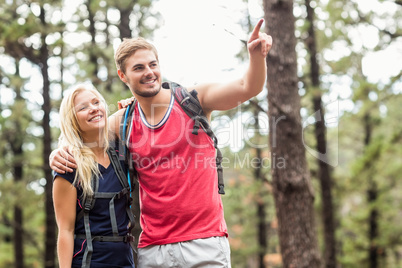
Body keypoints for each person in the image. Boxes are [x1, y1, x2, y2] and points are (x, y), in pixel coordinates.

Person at [50, 18, 272, 267]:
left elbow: (246, 87)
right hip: (153, 251)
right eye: (138, 68)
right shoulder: (123, 121)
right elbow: (83, 135)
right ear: (123, 75)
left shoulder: (193, 101)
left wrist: (256, 57)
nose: (148, 72)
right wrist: (59, 152)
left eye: (152, 64)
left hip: (205, 243)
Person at [52, 86, 135, 268]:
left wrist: (132, 104)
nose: (93, 108)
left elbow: (147, 109)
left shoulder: (121, 152)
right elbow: (65, 230)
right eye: (83, 108)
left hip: (127, 262)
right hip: (88, 262)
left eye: (96, 102)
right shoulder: (68, 165)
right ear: (72, 120)